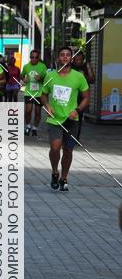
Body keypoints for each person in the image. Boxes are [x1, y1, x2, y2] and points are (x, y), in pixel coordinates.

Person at [42, 46, 90, 192]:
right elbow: (43, 94)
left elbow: (86, 97)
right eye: (62, 55)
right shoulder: (50, 76)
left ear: (71, 58)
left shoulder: (78, 77)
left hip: (72, 119)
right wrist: (47, 106)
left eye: (68, 55)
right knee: (55, 147)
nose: (64, 57)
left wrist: (77, 110)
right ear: (58, 58)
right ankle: (55, 171)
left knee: (68, 150)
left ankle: (64, 177)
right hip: (55, 119)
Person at [21, 49, 47, 136]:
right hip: (29, 92)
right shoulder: (26, 66)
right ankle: (28, 126)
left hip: (39, 93)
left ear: (38, 58)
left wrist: (40, 78)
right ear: (30, 57)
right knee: (28, 110)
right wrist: (23, 79)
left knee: (37, 112)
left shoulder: (43, 66)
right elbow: (21, 75)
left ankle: (35, 128)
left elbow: (46, 78)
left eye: (36, 57)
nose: (34, 59)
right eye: (32, 57)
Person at [71, 49, 96, 138]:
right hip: (71, 95)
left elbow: (92, 80)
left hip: (82, 96)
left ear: (83, 60)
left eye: (80, 60)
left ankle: (76, 137)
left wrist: (84, 75)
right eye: (76, 60)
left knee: (79, 117)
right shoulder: (70, 66)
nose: (77, 62)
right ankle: (67, 135)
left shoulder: (86, 67)